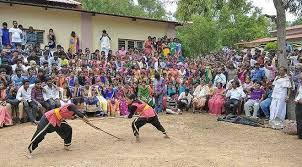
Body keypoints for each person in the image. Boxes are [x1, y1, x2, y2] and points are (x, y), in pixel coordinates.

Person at [295, 73, 302, 139]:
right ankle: (299, 134)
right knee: (298, 119)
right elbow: (298, 93)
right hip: (298, 103)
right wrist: (296, 99)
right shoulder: (300, 85)